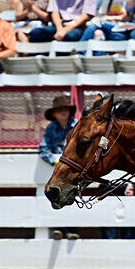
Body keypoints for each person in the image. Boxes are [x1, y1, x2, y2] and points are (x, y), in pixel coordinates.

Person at [39, 95, 79, 241]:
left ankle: (70, 230)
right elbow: (43, 149)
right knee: (57, 195)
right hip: (58, 169)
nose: (63, 112)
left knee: (71, 195)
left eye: (65, 110)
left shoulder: (77, 126)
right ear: (54, 113)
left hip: (73, 168)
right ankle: (59, 229)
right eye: (59, 110)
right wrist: (55, 160)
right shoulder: (51, 129)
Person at [100, 182, 135, 269]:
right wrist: (125, 188)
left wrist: (132, 189)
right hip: (111, 205)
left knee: (129, 247)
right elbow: (102, 186)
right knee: (110, 246)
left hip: (132, 207)